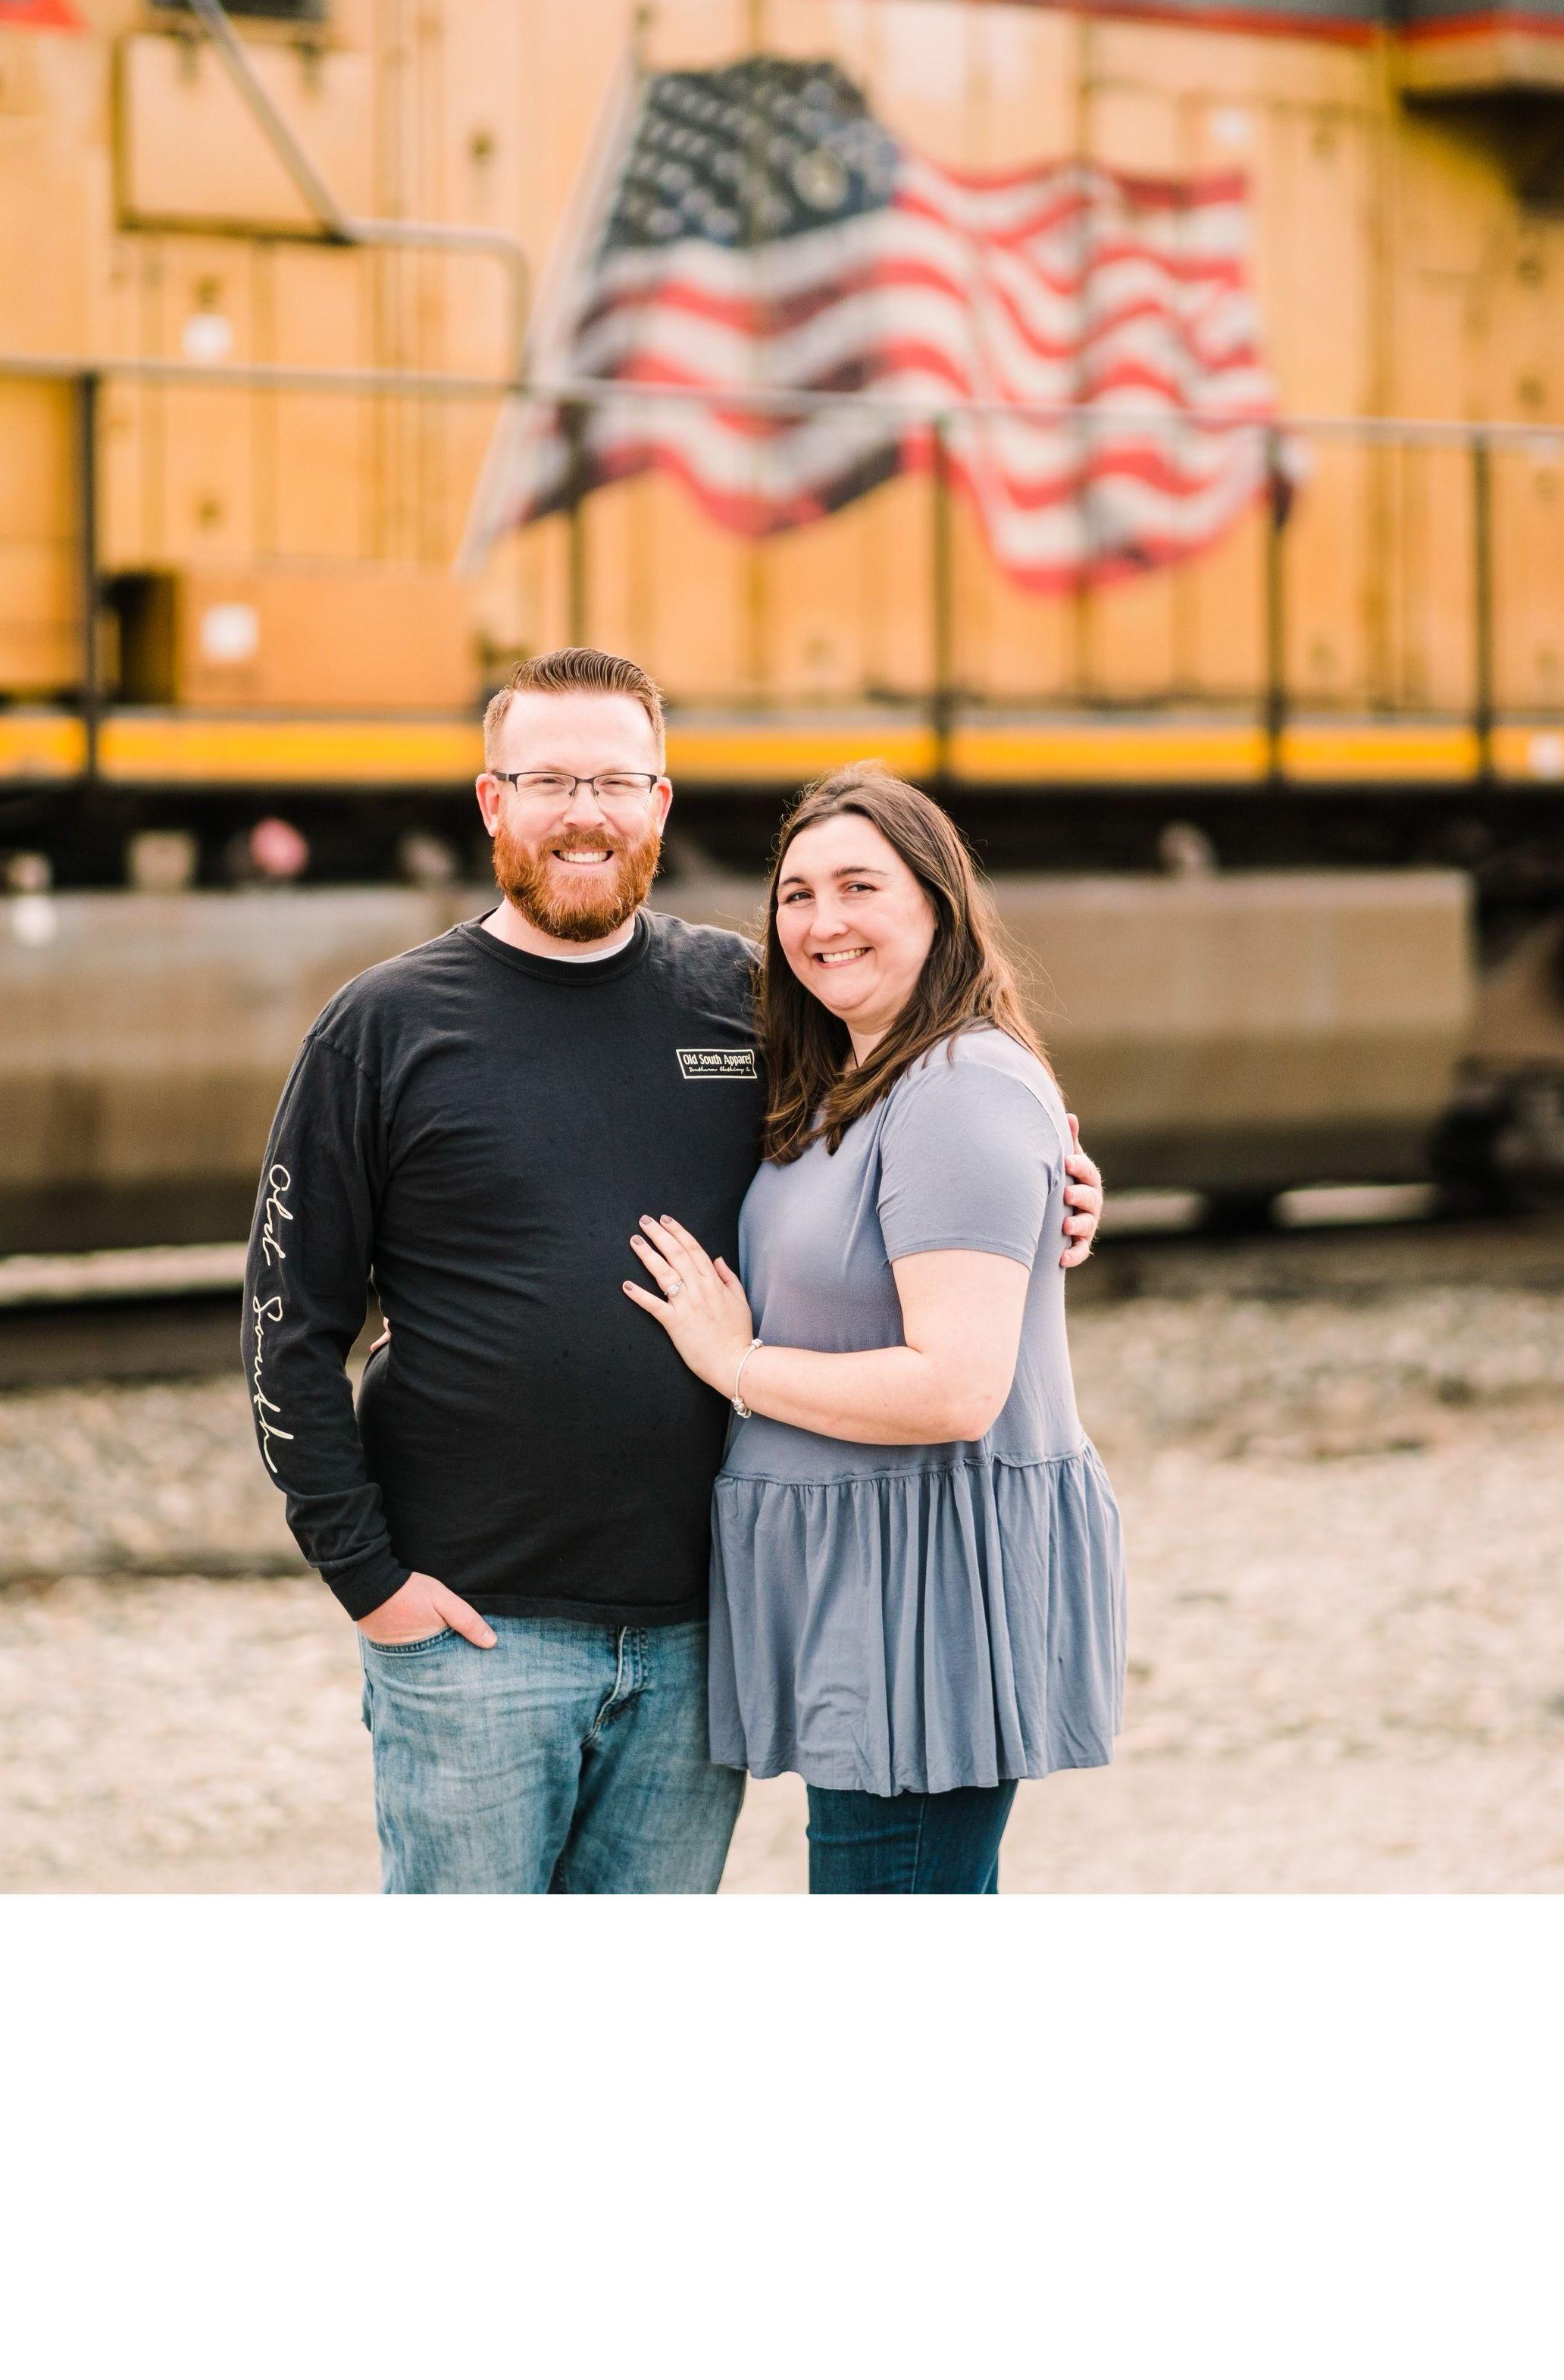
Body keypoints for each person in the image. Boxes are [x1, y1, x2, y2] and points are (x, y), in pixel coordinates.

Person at [246, 651, 1106, 1894]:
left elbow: (917, 1117)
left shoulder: (748, 1004)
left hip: (701, 1637)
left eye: (614, 781)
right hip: (475, 1634)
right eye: (548, 781)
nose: (582, 813)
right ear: (492, 802)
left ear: (660, 802)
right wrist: (369, 1581)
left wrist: (1062, 1187)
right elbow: (288, 1327)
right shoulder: (382, 1027)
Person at [621, 765, 1127, 1895]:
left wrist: (734, 1364)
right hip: (868, 1584)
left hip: (921, 1595)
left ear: (938, 906)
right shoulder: (853, 1078)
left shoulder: (956, 1084)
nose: (823, 922)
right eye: (797, 895)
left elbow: (956, 1389)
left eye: (860, 886)